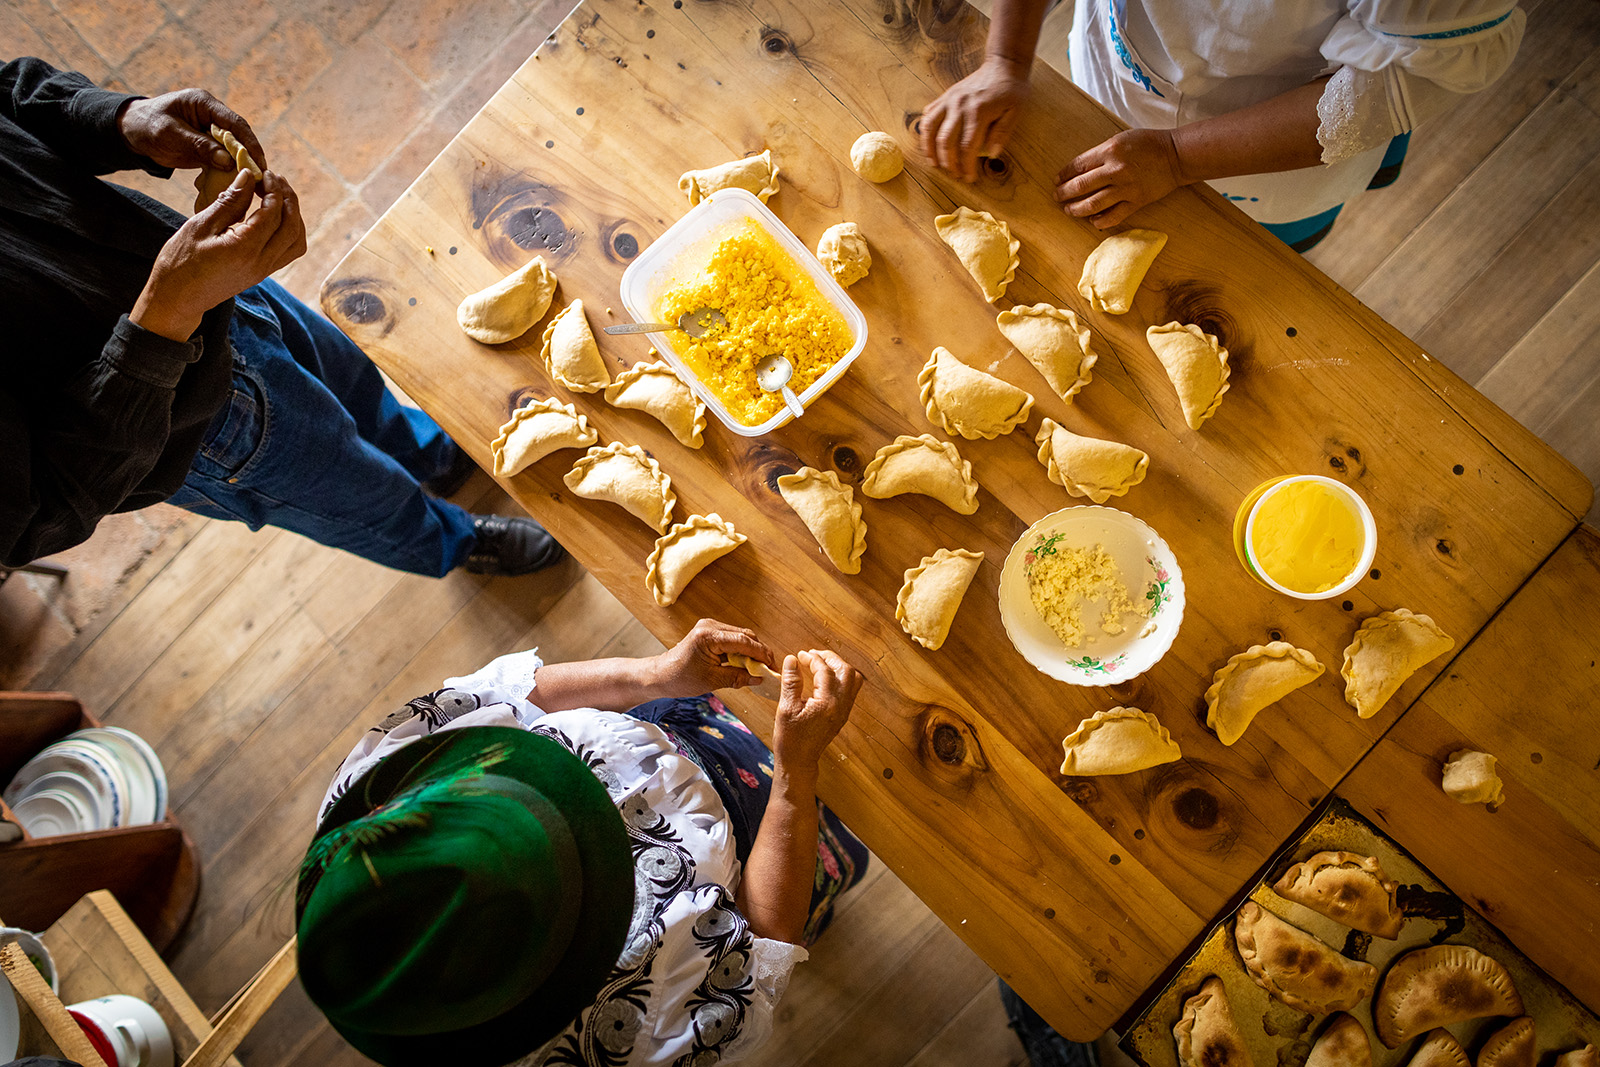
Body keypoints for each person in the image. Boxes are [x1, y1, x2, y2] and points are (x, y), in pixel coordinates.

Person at [0, 57, 562, 577]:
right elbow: (36, 514)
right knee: (359, 498)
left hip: (215, 288)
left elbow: (10, 90)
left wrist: (116, 119)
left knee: (354, 384)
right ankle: (453, 541)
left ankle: (432, 454)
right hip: (181, 422)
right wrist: (162, 318)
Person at [294, 618, 869, 1066]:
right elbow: (765, 938)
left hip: (662, 727)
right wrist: (794, 777)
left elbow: (512, 696)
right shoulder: (619, 1042)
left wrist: (656, 676)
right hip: (754, 846)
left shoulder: (378, 787)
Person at [920, 0, 1524, 250]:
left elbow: (1395, 84)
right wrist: (1006, 57)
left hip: (1267, 143)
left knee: (1241, 262)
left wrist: (1180, 157)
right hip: (1116, 57)